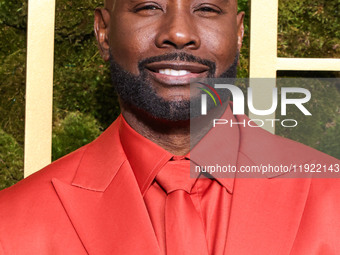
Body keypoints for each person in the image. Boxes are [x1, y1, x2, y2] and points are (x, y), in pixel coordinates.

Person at [0, 0, 339, 254]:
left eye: (206, 8)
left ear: (238, 33)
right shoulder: (10, 223)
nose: (179, 34)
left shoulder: (332, 197)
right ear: (103, 31)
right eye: (149, 6)